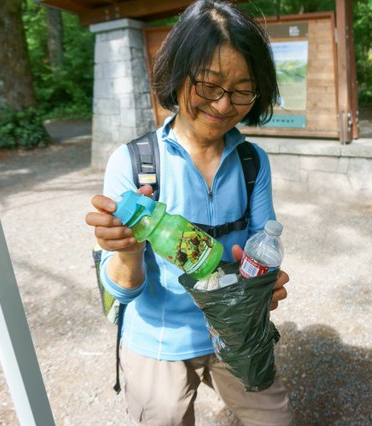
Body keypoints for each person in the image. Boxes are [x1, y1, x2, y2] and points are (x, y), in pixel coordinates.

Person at [84, 1, 294, 425]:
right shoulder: (133, 164)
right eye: (209, 86)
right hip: (159, 339)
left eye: (241, 90)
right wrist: (125, 250)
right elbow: (121, 293)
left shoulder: (253, 162)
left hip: (235, 331)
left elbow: (259, 244)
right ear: (179, 75)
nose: (223, 105)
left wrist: (260, 288)